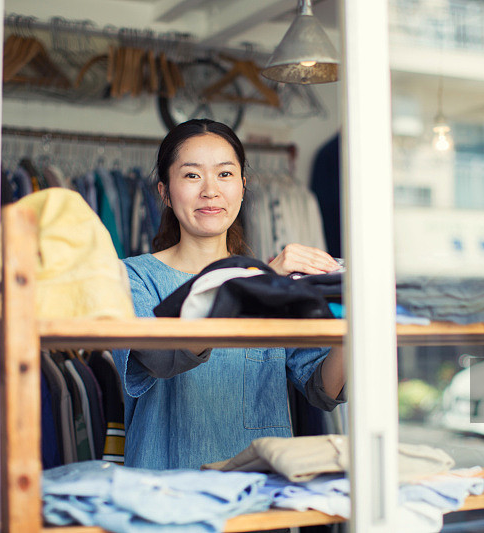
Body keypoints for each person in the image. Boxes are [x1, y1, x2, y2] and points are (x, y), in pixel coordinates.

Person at [112, 119, 345, 471]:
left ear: (242, 187)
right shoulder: (132, 277)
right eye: (192, 176)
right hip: (166, 498)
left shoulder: (275, 282)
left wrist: (355, 313)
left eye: (225, 174)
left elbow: (323, 389)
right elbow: (159, 360)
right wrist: (256, 284)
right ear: (164, 191)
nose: (210, 191)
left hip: (262, 499)